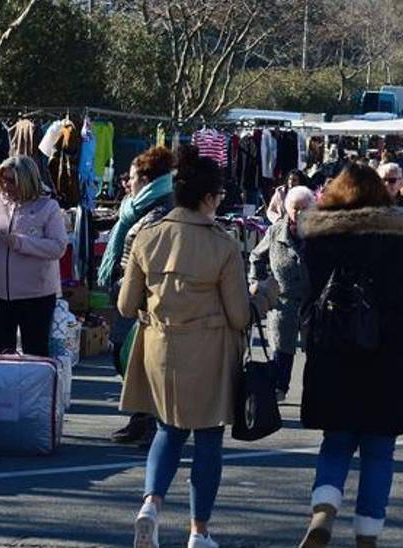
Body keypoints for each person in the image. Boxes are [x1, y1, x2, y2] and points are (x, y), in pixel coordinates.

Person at [120, 147, 273, 548]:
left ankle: (151, 505)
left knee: (167, 431)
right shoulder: (222, 245)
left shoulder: (147, 236)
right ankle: (198, 531)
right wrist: (265, 296)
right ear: (208, 197)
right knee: (207, 439)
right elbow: (240, 316)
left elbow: (123, 304)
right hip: (208, 351)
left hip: (159, 348)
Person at [297, 162, 403, 548]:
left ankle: (324, 507)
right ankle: (367, 534)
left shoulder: (318, 243)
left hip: (333, 359)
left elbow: (304, 302)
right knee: (379, 451)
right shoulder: (398, 242)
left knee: (335, 442)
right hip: (390, 362)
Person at [104, 146, 176, 445]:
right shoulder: (136, 205)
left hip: (146, 294)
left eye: (132, 177)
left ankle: (151, 423)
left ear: (146, 179)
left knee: (135, 355)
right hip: (126, 286)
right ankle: (140, 418)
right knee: (124, 354)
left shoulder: (161, 207)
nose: (126, 182)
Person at [0, 155, 68, 356]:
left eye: (12, 180)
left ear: (27, 180)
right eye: (3, 179)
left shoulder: (48, 207)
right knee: (1, 355)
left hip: (35, 296)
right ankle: (3, 388)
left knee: (35, 354)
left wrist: (22, 243)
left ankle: (35, 389)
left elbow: (58, 247)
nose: (5, 185)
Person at [250, 185, 316, 403]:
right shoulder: (276, 231)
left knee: (315, 350)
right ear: (288, 208)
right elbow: (256, 256)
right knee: (281, 347)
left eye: (304, 208)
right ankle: (279, 389)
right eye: (295, 208)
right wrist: (259, 284)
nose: (299, 213)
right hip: (282, 301)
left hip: (311, 302)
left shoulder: (319, 233)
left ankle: (314, 394)